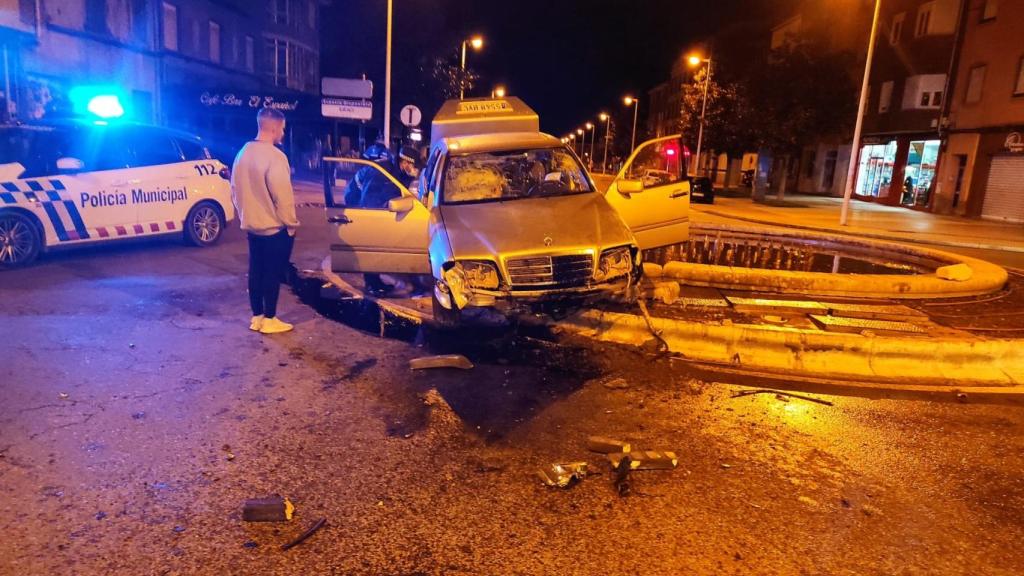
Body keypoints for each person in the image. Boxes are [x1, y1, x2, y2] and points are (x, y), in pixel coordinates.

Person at [231, 107, 300, 334]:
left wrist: (244, 215)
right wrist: (291, 224)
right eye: (282, 128)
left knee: (256, 271)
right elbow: (283, 196)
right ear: (273, 127)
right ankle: (270, 318)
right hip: (273, 228)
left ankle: (257, 317)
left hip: (251, 226)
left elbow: (234, 190)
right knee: (272, 272)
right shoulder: (276, 157)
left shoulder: (243, 153)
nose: (283, 132)